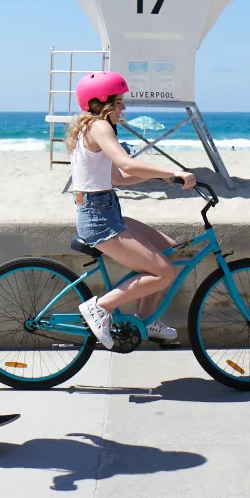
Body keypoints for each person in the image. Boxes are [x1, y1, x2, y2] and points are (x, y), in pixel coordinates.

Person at [66, 71, 196, 350]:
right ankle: (100, 307)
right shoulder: (99, 126)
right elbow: (127, 165)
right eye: (120, 101)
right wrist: (170, 170)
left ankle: (148, 320)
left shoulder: (92, 128)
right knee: (164, 273)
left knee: (168, 250)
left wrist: (161, 177)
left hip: (104, 210)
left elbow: (118, 177)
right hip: (98, 217)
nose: (124, 108)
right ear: (103, 102)